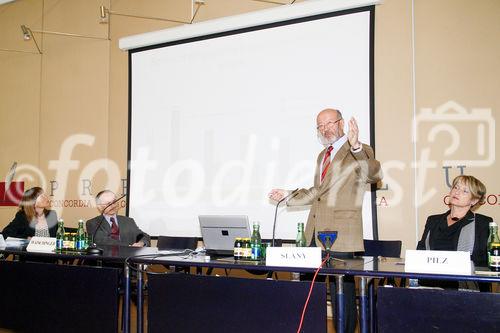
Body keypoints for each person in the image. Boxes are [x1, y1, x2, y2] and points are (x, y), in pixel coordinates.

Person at [269, 108, 382, 333]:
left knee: (343, 294)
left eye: (329, 123)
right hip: (315, 230)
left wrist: (357, 146)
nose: (324, 129)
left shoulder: (358, 148)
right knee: (312, 292)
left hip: (342, 233)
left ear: (341, 123)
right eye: (320, 126)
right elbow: (318, 192)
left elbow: (373, 174)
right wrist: (289, 195)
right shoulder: (323, 155)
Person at [417, 175, 491, 267]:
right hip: (431, 278)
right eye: (456, 187)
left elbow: (484, 260)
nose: (457, 192)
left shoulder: (482, 223)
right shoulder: (433, 220)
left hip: (464, 279)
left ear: (474, 200)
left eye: (465, 191)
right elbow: (421, 251)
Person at [86, 190, 150, 247]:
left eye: (114, 202)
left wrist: (141, 243)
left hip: (127, 259)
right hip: (105, 259)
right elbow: (102, 241)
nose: (112, 205)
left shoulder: (128, 221)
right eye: (108, 204)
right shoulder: (93, 223)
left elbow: (142, 236)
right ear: (99, 206)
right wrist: (129, 247)